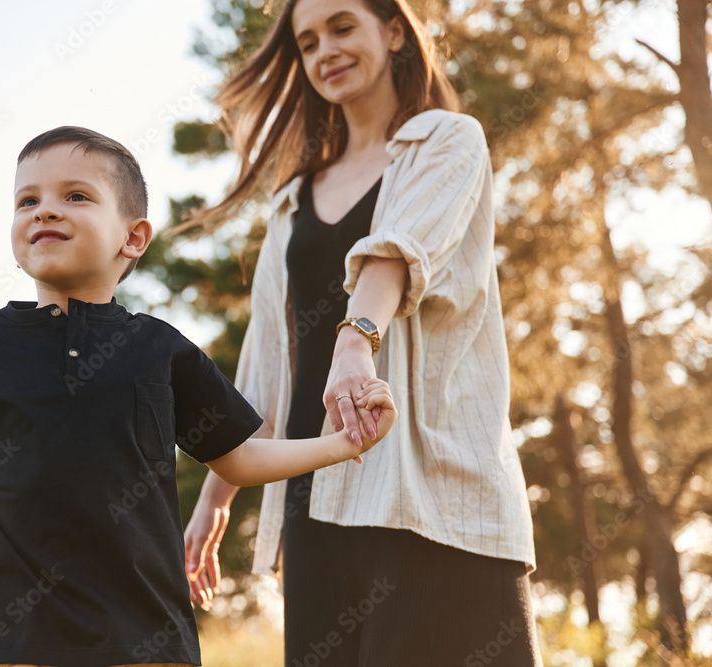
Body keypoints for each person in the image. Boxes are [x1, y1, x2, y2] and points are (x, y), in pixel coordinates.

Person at [0, 126, 397, 667]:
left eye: (76, 195)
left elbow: (240, 458)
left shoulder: (161, 349)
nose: (44, 209)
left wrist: (344, 442)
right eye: (27, 201)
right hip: (12, 637)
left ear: (133, 237)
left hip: (145, 639)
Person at [181, 0, 541, 664]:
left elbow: (395, 254)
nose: (325, 51)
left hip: (434, 500)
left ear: (395, 30)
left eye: (343, 27)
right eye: (308, 41)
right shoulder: (290, 204)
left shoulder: (447, 141)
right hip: (315, 506)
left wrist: (355, 342)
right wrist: (215, 496)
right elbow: (265, 363)